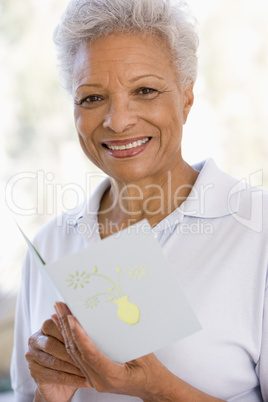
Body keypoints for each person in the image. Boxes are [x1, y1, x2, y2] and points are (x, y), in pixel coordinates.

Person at [10, 0, 268, 401]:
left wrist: (153, 386)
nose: (118, 120)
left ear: (186, 99)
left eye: (145, 90)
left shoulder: (258, 231)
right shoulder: (49, 246)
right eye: (92, 98)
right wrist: (51, 395)